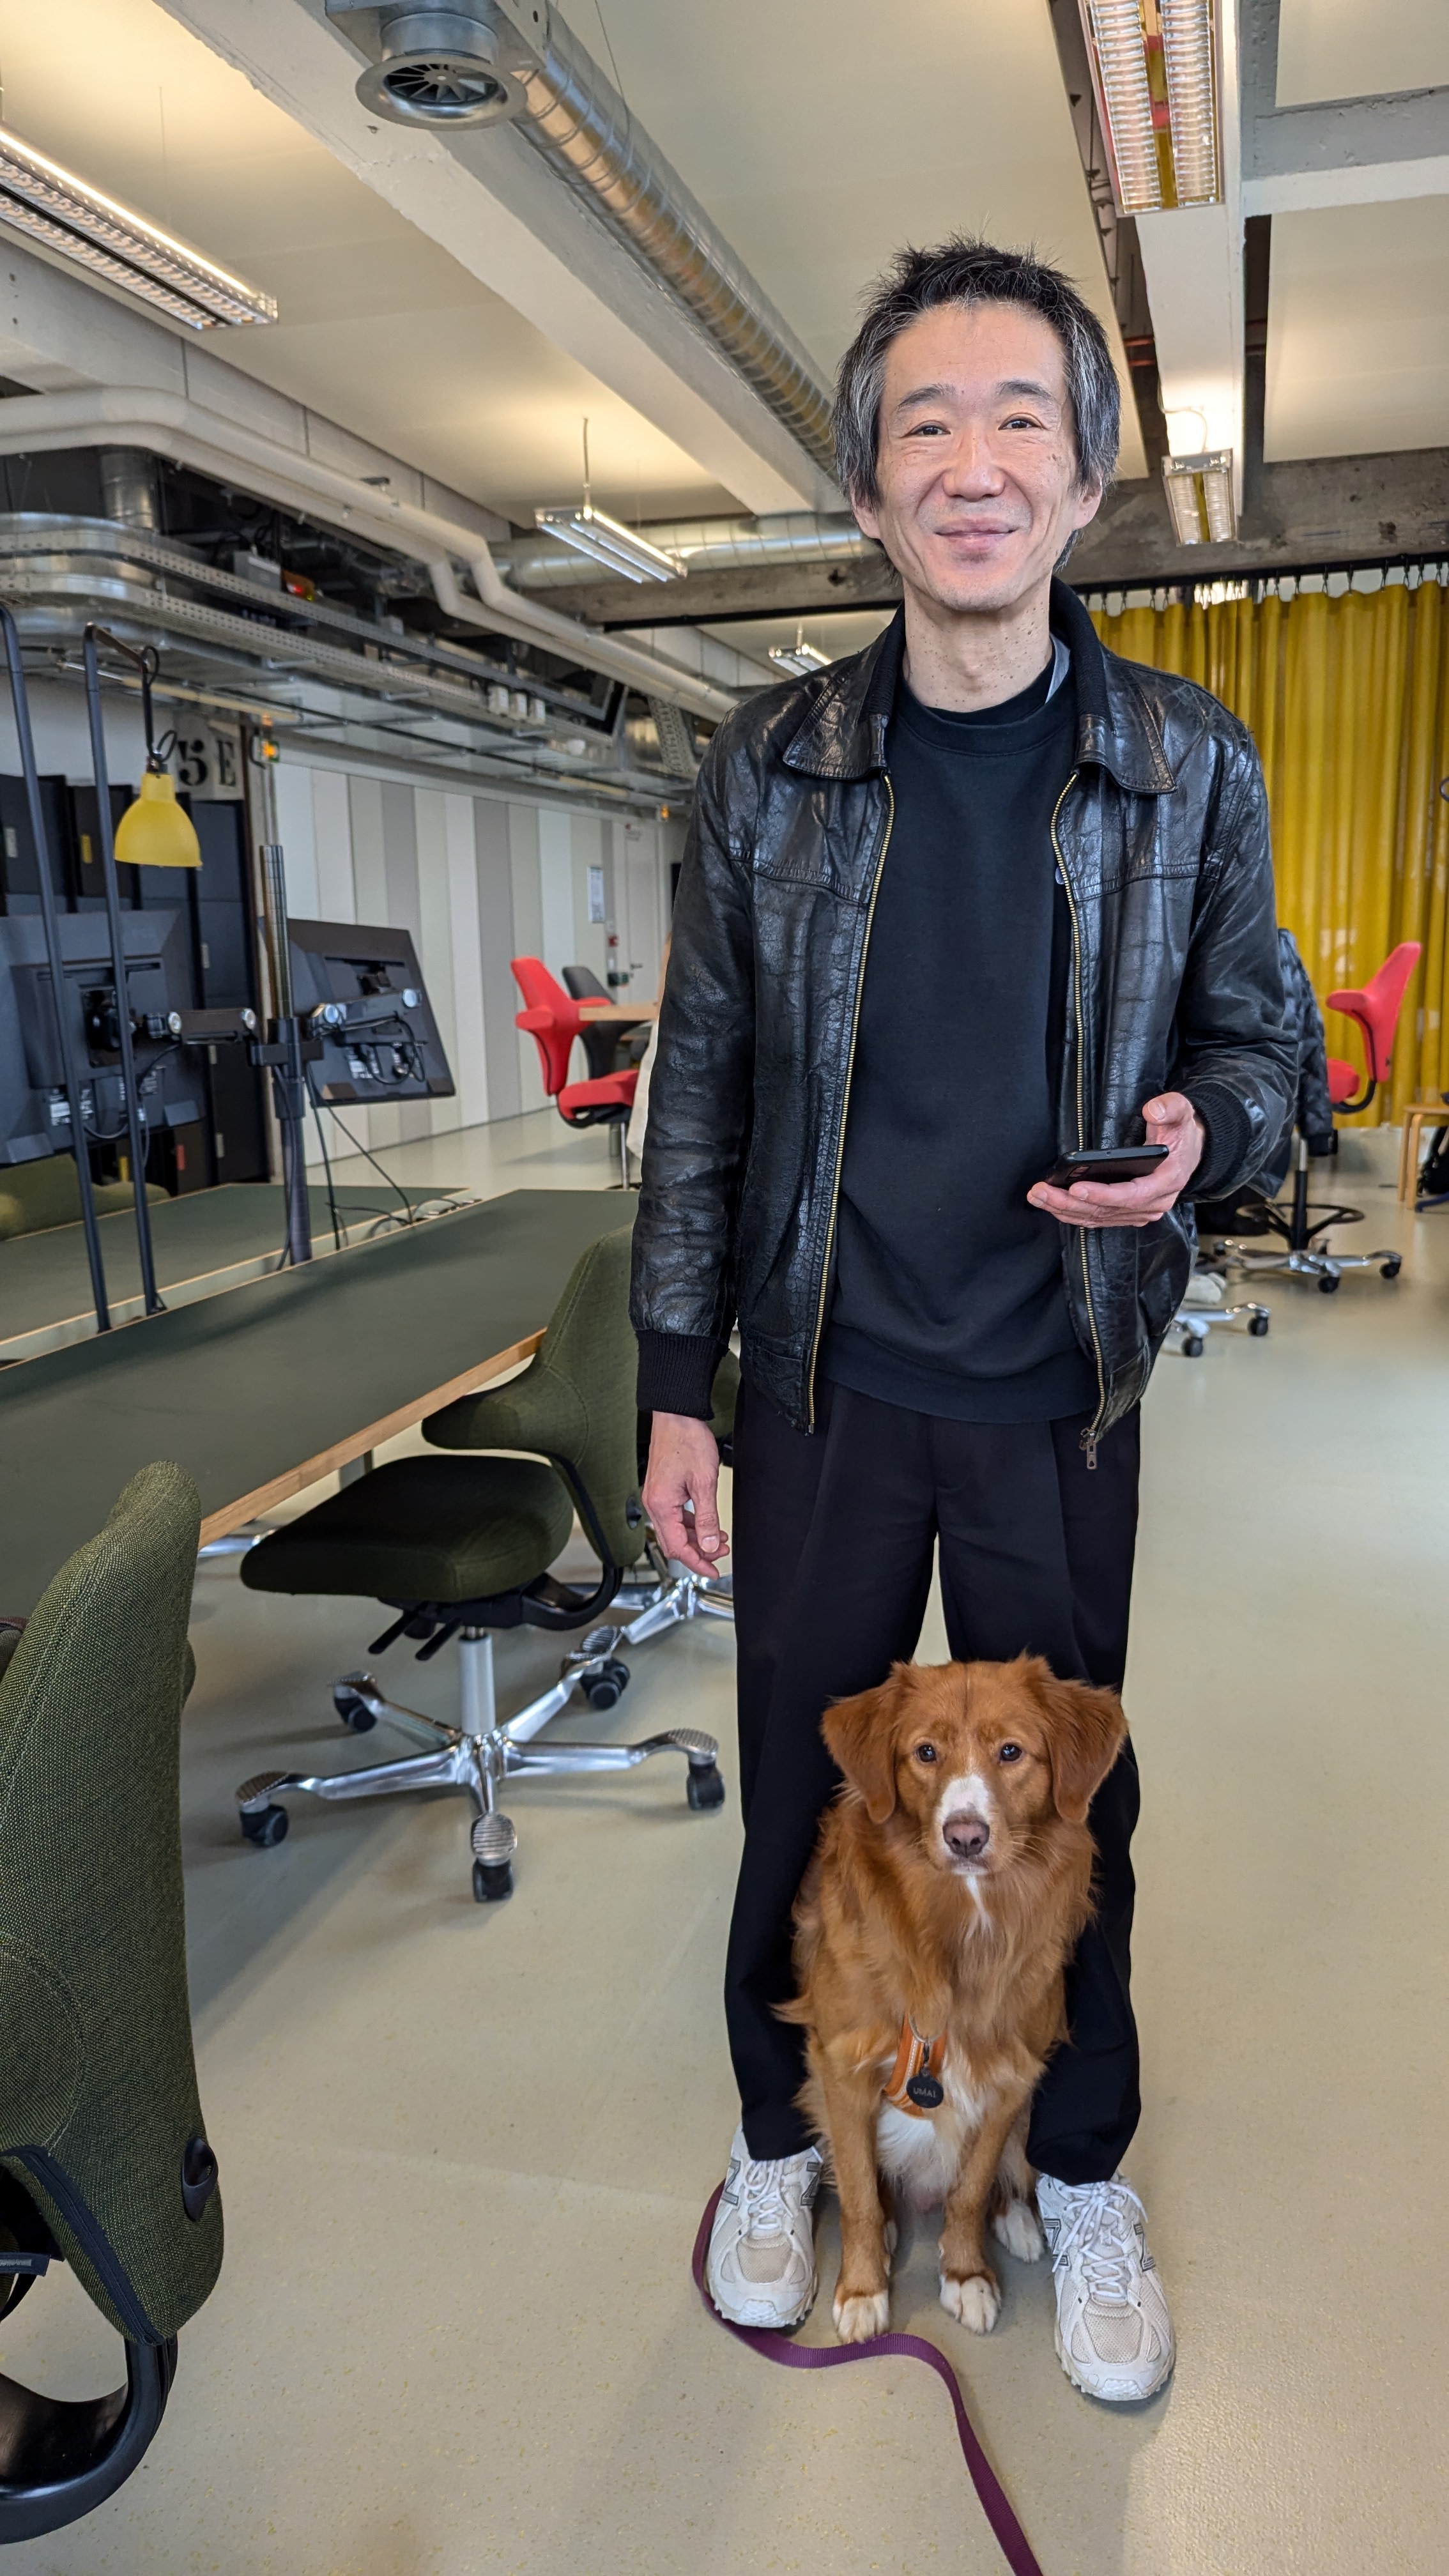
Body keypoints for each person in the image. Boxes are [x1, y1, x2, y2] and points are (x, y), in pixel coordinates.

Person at [631, 238, 1292, 2404]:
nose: (974, 462)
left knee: (1078, 1803)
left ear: (1085, 482)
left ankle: (1071, 2166)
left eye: (1021, 419)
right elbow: (703, 1091)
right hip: (820, 1383)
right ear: (866, 491)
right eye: (926, 423)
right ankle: (772, 2145)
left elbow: (1264, 1044)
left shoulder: (1186, 764)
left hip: (1053, 1390)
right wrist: (674, 1394)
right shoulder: (771, 767)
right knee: (800, 1811)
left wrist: (1212, 1131)